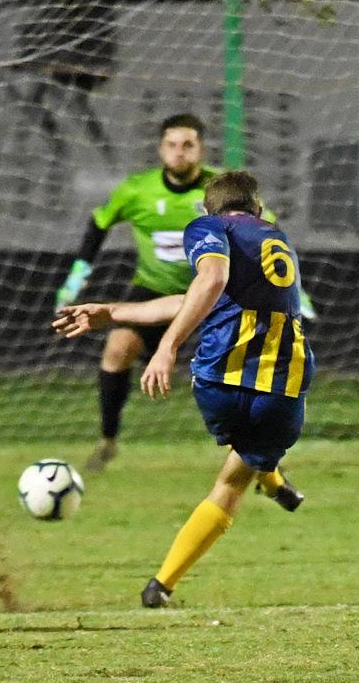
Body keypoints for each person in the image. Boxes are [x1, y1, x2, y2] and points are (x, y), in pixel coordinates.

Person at [53, 169, 309, 607]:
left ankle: (264, 477)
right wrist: (116, 312)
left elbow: (207, 283)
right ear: (259, 209)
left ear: (207, 209)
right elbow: (199, 293)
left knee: (239, 454)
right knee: (236, 477)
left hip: (219, 382)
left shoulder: (207, 226)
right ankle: (163, 584)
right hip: (284, 387)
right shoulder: (277, 239)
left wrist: (166, 347)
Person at [55, 113, 210, 473]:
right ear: (160, 149)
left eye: (188, 145)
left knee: (244, 363)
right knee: (117, 348)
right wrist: (75, 279)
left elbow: (265, 226)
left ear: (201, 150)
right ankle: (107, 441)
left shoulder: (219, 190)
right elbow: (98, 223)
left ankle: (261, 453)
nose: (179, 153)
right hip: (154, 291)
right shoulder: (137, 190)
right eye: (171, 145)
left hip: (211, 291)